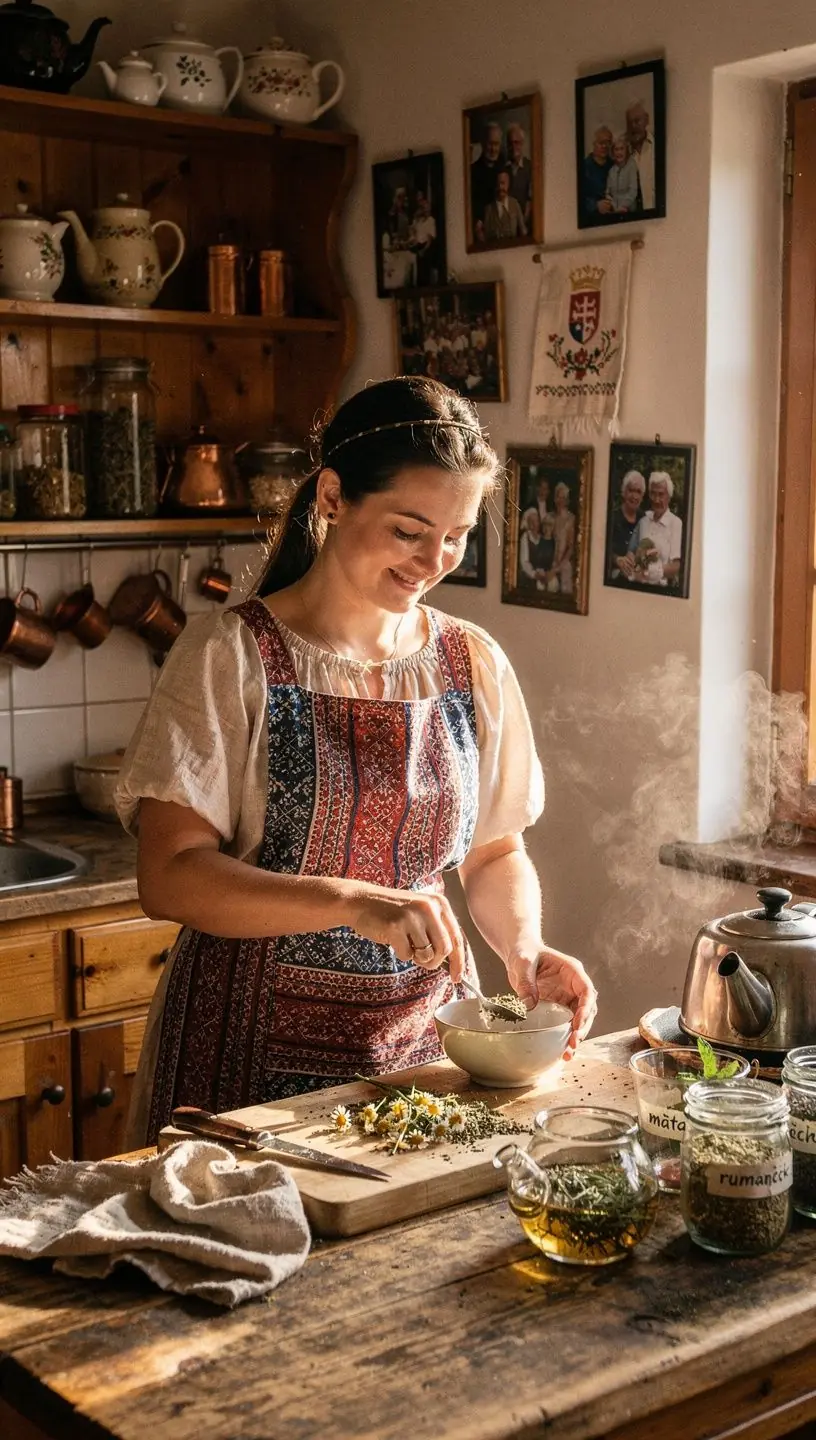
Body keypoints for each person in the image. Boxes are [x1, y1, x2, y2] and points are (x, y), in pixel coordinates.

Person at [115, 377, 597, 1144]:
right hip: (243, 1058)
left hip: (426, 1047)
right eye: (409, 530)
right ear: (334, 497)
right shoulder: (228, 655)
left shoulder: (470, 662)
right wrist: (352, 901)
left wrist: (524, 948)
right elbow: (169, 875)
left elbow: (494, 850)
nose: (434, 560)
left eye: (457, 535)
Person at [624, 470, 682, 586]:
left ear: (669, 497)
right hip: (636, 586)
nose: (656, 499)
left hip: (660, 590)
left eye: (661, 494)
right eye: (653, 494)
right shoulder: (643, 521)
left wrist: (648, 573)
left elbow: (675, 567)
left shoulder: (675, 523)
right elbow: (631, 552)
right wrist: (630, 562)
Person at [607, 470, 645, 583]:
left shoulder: (644, 519)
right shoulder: (612, 518)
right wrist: (616, 559)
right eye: (631, 490)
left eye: (638, 492)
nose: (634, 496)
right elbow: (601, 549)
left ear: (642, 496)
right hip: (615, 575)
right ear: (623, 492)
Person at [471, 121, 505, 239]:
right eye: (490, 144)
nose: (493, 149)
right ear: (482, 143)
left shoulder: (506, 169)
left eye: (496, 144)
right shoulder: (472, 172)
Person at [625, 100, 655, 210]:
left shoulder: (658, 147)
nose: (633, 126)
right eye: (630, 123)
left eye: (637, 121)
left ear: (647, 119)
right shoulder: (623, 154)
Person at [483, 169, 527, 242]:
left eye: (503, 183)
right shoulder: (489, 209)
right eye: (498, 184)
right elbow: (486, 236)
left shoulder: (515, 204)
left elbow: (523, 231)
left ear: (508, 184)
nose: (500, 187)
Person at [519, 508, 556, 592]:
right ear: (527, 523)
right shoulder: (526, 537)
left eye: (536, 521)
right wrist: (535, 574)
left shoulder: (542, 537)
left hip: (543, 573)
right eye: (531, 521)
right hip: (530, 575)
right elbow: (524, 562)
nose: (534, 524)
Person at [505, 122, 533, 227]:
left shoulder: (531, 167)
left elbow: (530, 200)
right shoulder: (503, 169)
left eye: (516, 143)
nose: (513, 147)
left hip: (525, 224)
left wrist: (523, 223)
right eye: (510, 143)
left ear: (522, 144)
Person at [582, 125, 613, 217]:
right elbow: (577, 198)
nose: (605, 146)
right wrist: (595, 205)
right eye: (601, 142)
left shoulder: (614, 165)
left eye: (608, 142)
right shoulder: (584, 167)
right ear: (594, 144)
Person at [409, 191, 439, 287]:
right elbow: (413, 231)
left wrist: (424, 250)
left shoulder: (431, 220)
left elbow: (430, 239)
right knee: (419, 272)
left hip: (426, 247)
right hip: (418, 246)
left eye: (426, 207)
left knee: (426, 272)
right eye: (423, 207)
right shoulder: (419, 220)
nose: (425, 209)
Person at [605, 134, 639, 215]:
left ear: (626, 150)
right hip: (614, 211)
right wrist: (614, 208)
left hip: (629, 211)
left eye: (622, 149)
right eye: (616, 149)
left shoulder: (632, 165)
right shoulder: (611, 171)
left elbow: (633, 191)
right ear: (613, 152)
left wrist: (622, 207)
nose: (619, 152)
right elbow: (607, 193)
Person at [552, 482, 576, 595]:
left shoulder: (571, 519)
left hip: (564, 563)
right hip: (550, 561)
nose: (560, 501)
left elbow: (571, 547)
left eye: (563, 498)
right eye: (558, 497)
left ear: (567, 500)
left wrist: (559, 566)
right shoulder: (550, 517)